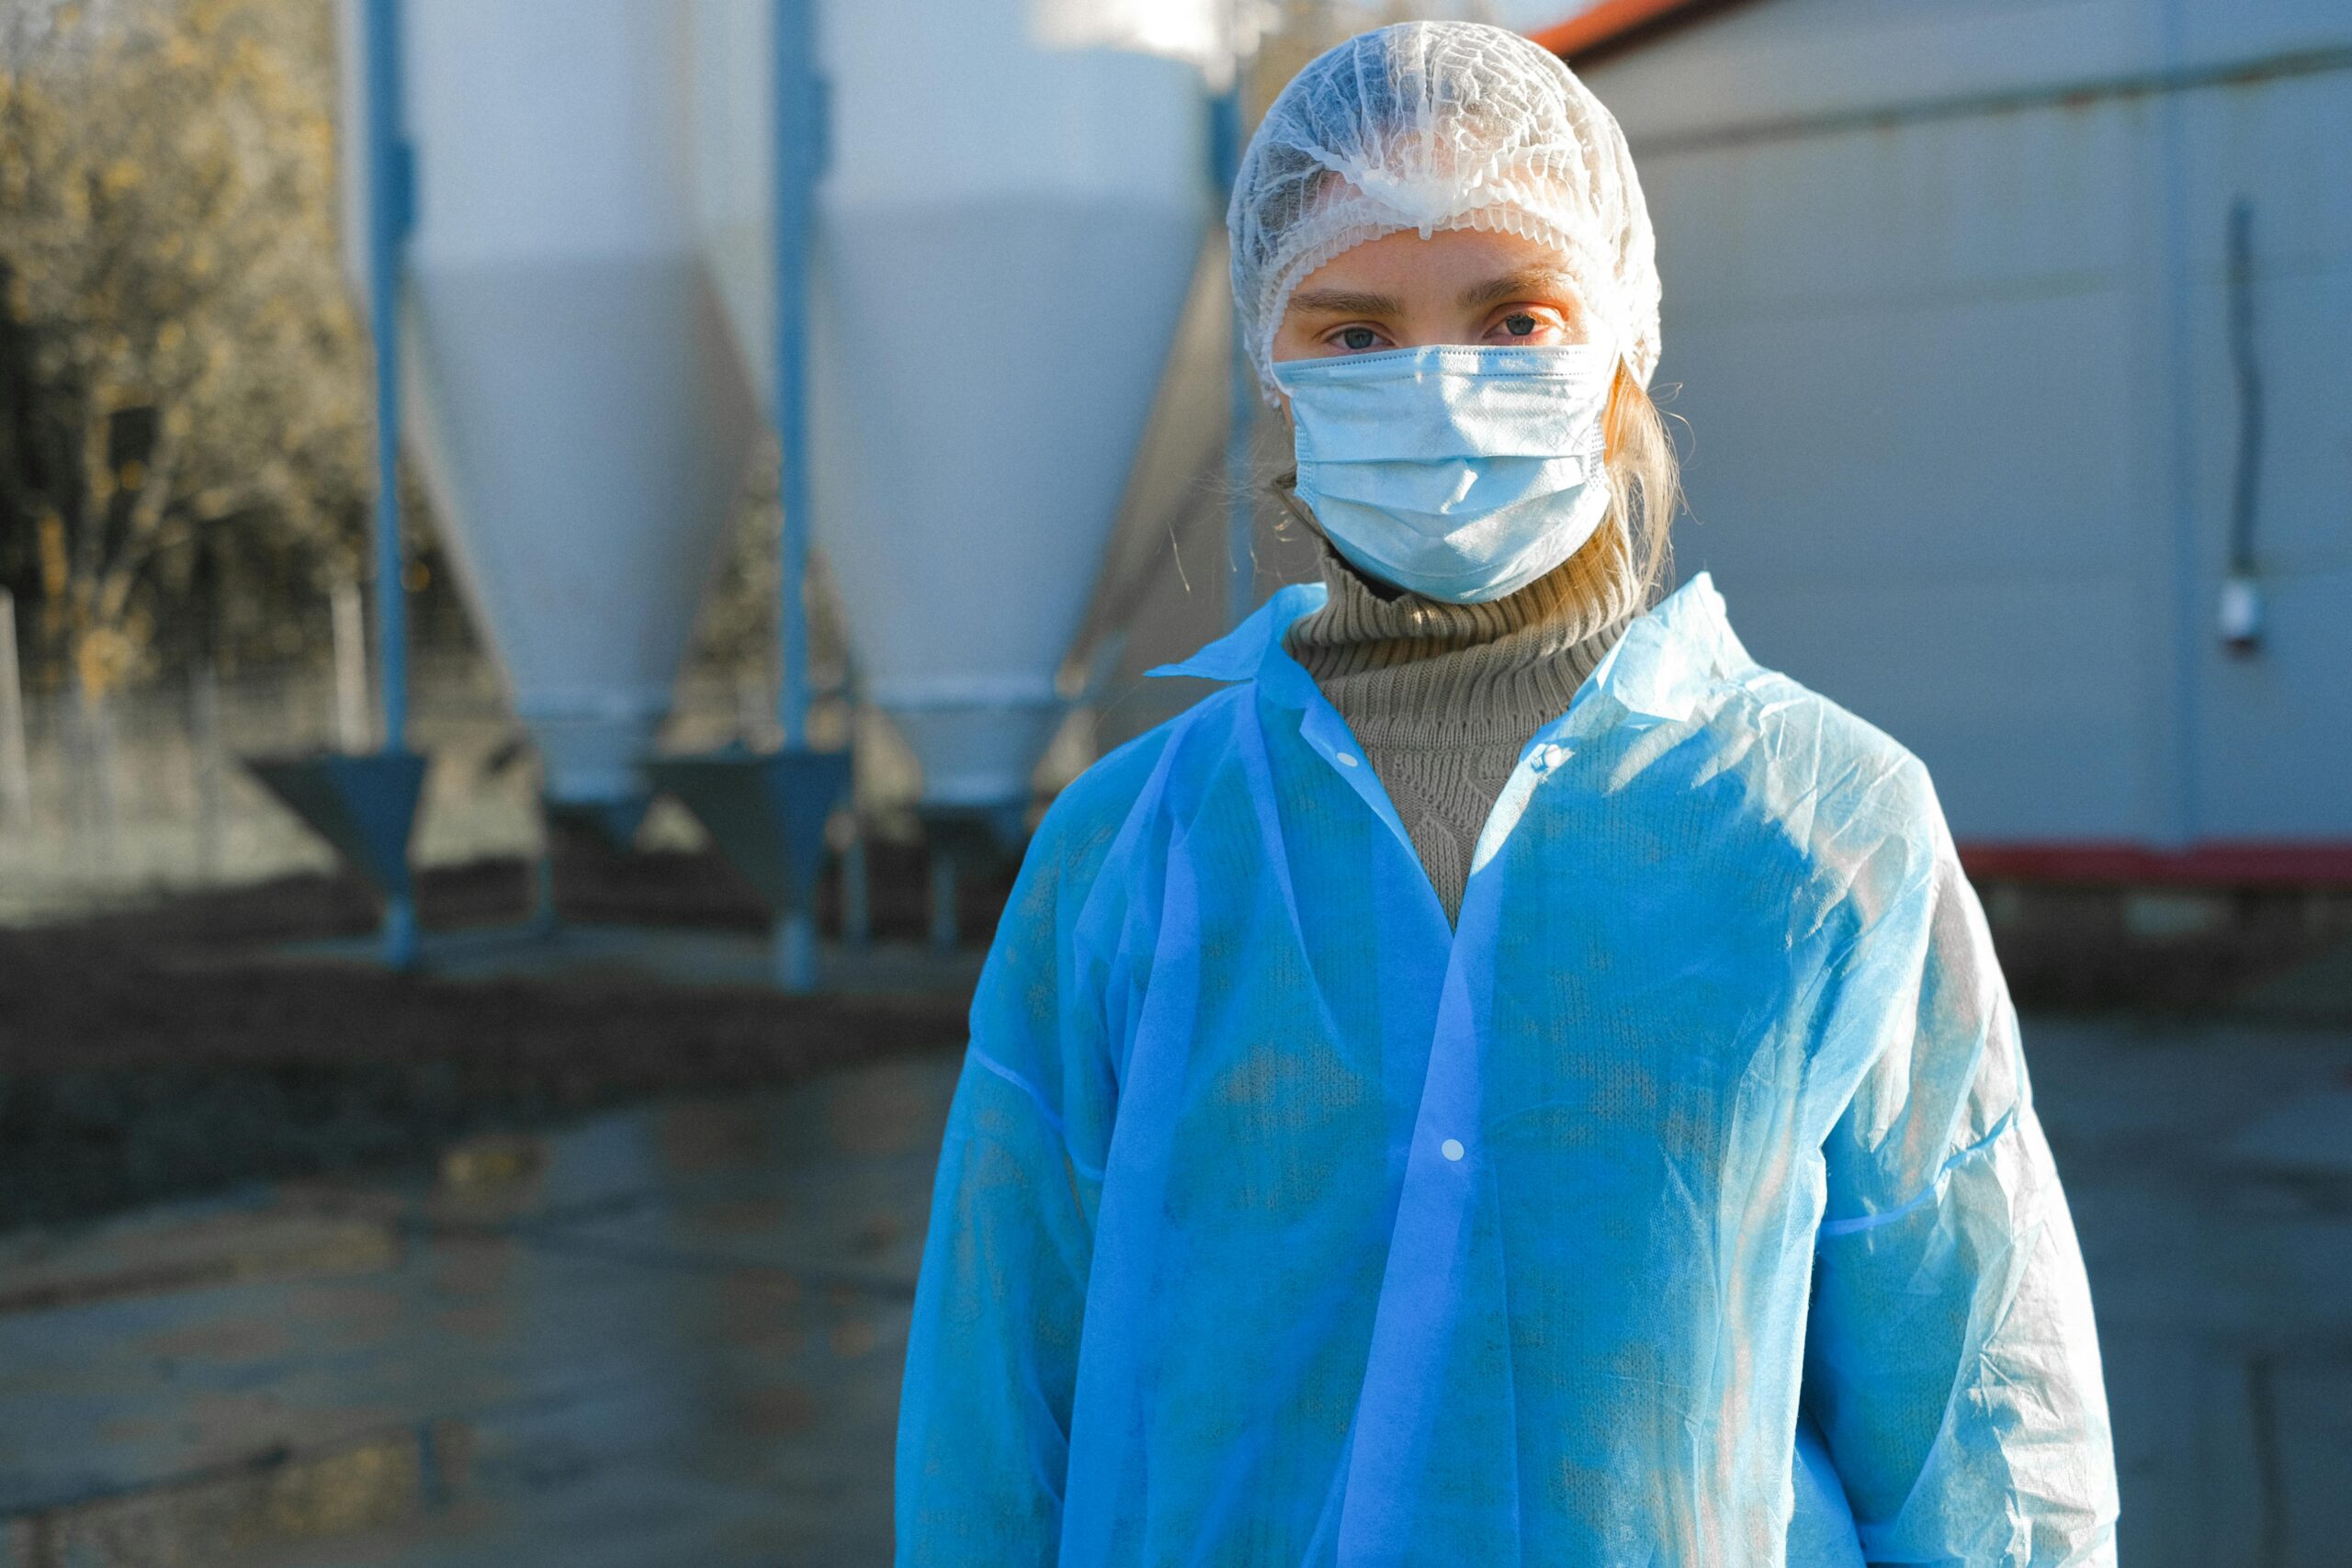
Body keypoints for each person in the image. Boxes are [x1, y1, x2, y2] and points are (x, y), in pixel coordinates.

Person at [894, 20, 2118, 1567]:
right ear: (1276, 367)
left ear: (1620, 347)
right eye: (1356, 332)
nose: (1440, 388)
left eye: (1514, 317)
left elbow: (1982, 1436)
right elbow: (997, 1418)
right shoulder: (1131, 851)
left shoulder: (1825, 827)